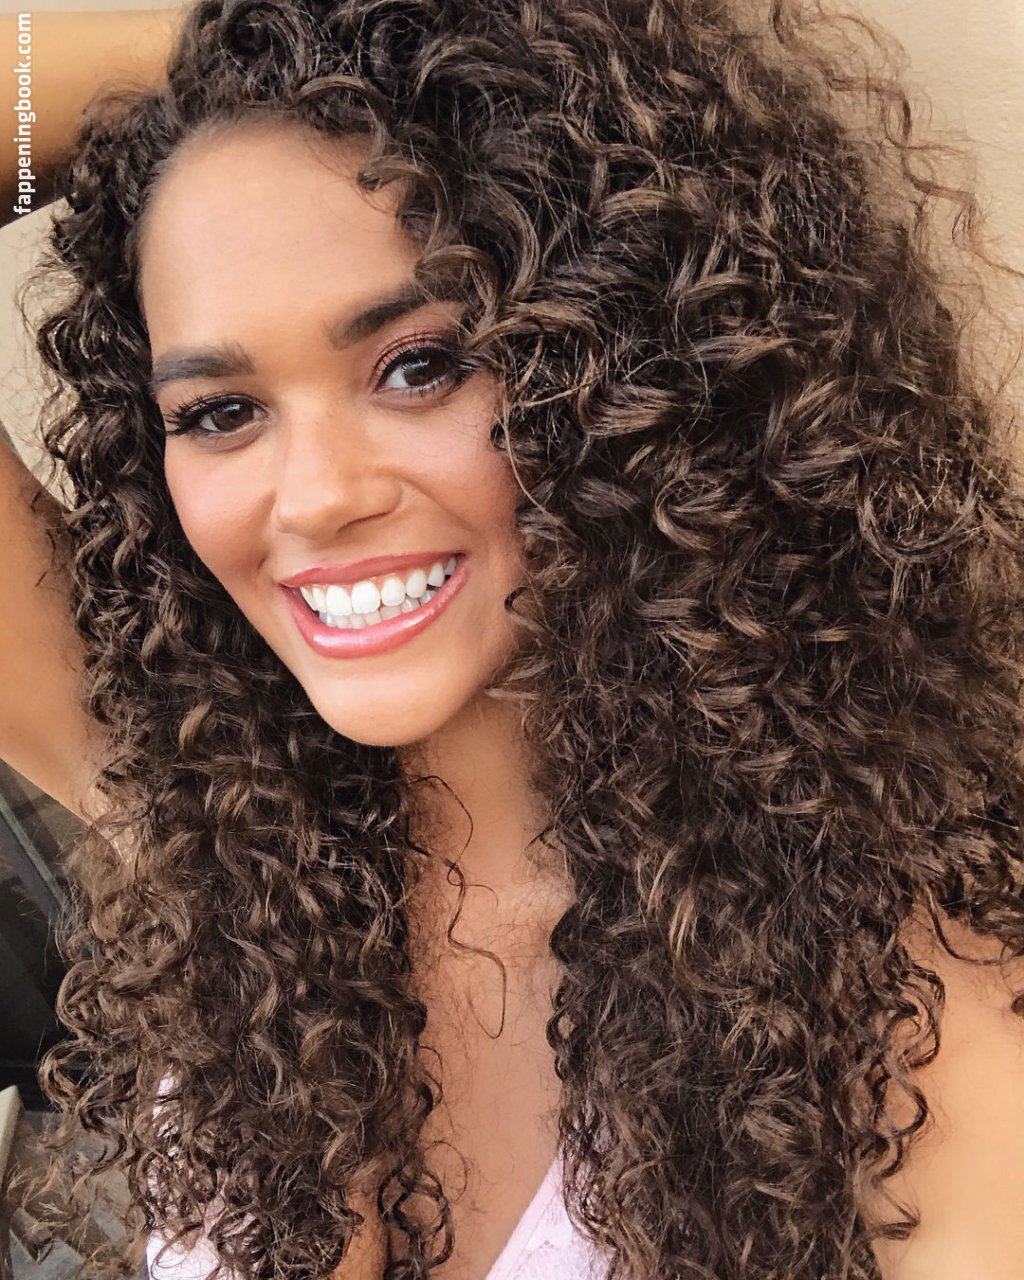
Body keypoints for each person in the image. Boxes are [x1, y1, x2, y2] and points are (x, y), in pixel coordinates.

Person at [3, 0, 1024, 1277]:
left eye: (420, 366)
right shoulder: (214, 843)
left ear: (638, 366)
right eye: (220, 411)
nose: (313, 497)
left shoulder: (904, 1008)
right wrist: (243, 44)